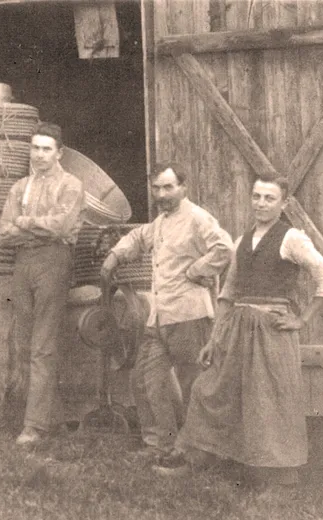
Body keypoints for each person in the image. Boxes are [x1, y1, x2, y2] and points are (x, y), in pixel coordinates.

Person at [155, 176, 323, 494]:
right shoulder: (242, 240)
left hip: (272, 332)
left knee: (270, 400)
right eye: (256, 196)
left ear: (283, 204)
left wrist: (302, 319)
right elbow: (228, 293)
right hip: (237, 329)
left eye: (270, 198)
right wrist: (214, 340)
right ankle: (201, 458)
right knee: (209, 388)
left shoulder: (292, 238)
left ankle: (280, 480)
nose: (261, 203)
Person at [100, 163, 233, 458]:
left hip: (190, 315)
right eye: (157, 188)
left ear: (183, 187)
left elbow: (224, 248)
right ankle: (160, 443)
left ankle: (199, 449)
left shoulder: (197, 218)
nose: (162, 194)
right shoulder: (160, 222)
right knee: (147, 379)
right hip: (159, 316)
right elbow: (138, 237)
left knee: (195, 385)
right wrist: (115, 255)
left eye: (168, 187)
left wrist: (197, 269)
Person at [0, 122, 84, 445]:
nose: (39, 154)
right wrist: (34, 227)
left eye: (46, 148)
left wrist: (24, 223)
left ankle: (34, 426)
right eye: (35, 148)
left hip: (53, 261)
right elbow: (4, 233)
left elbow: (61, 228)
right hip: (24, 263)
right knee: (24, 342)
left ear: (59, 152)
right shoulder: (21, 187)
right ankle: (53, 417)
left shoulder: (70, 185)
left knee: (43, 345)